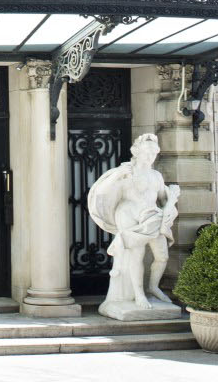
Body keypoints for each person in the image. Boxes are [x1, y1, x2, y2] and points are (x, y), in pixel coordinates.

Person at [85, 132, 180, 319]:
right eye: (146, 152)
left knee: (162, 256)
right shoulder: (125, 173)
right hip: (128, 215)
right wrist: (116, 176)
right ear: (136, 152)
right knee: (135, 256)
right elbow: (102, 193)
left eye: (153, 153)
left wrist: (173, 196)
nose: (150, 157)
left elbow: (162, 198)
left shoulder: (156, 176)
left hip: (152, 217)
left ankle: (152, 287)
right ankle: (139, 294)